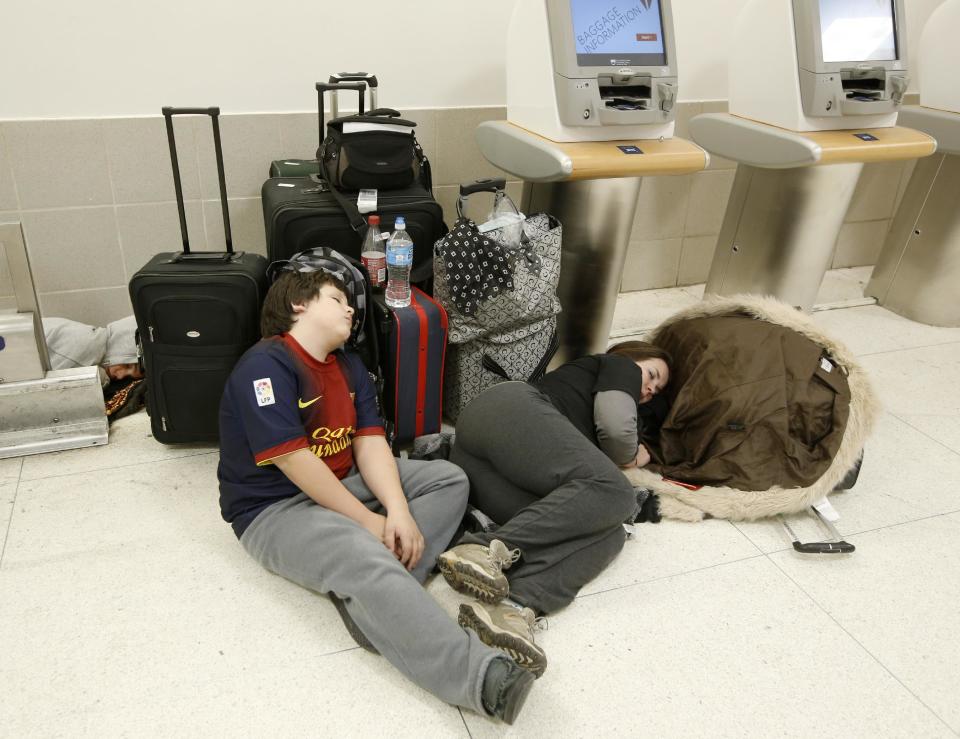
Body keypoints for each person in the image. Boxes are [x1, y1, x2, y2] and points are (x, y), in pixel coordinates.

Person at [216, 270, 536, 724]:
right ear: (298, 304)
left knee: (448, 479)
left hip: (345, 482)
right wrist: (369, 522)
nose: (350, 308)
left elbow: (369, 443)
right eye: (336, 298)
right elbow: (294, 461)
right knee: (360, 548)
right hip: (275, 508)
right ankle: (480, 678)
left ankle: (378, 606)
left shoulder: (348, 367)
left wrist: (400, 512)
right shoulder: (265, 365)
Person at [439, 341, 672, 674]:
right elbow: (617, 428)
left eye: (656, 391)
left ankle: (513, 610)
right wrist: (636, 455)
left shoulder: (574, 445)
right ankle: (481, 550)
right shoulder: (619, 366)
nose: (649, 388)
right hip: (507, 411)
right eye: (652, 374)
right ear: (631, 355)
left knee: (609, 535)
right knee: (617, 493)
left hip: (479, 469)